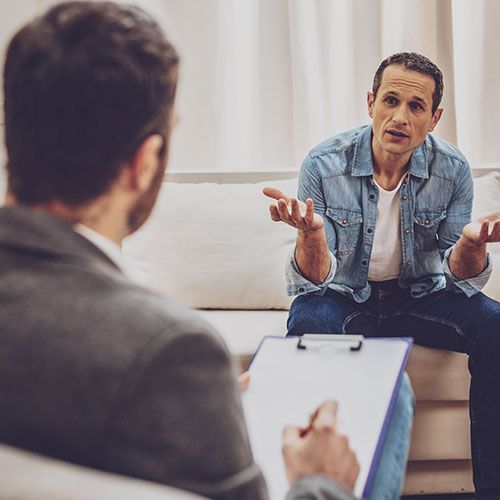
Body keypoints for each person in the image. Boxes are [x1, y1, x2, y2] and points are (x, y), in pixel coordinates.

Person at [0, 2, 413, 500]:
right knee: (394, 398)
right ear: (145, 162)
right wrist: (321, 482)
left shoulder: (166, 364)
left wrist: (191, 404)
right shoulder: (170, 349)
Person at [265, 51, 500, 499]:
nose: (399, 116)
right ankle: (318, 488)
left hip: (418, 296)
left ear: (434, 118)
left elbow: (457, 276)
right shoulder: (323, 163)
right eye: (390, 100)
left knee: (496, 325)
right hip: (342, 295)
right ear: (370, 102)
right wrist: (312, 233)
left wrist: (471, 244)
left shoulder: (452, 170)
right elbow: (316, 280)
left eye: (416, 107)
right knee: (310, 321)